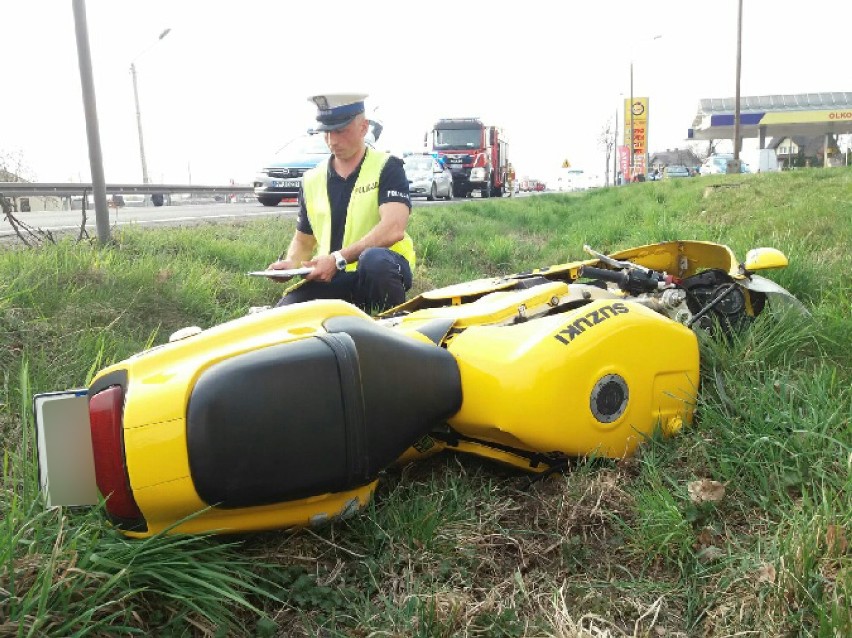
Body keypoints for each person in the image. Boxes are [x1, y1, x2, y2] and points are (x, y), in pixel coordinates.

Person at [267, 93, 415, 313]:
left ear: (363, 128)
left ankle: (394, 323)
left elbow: (393, 229)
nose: (332, 141)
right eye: (326, 132)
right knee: (284, 313)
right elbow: (304, 242)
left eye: (340, 131)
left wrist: (337, 258)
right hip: (333, 277)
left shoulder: (388, 167)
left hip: (379, 272)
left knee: (374, 260)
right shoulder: (312, 179)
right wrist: (291, 265)